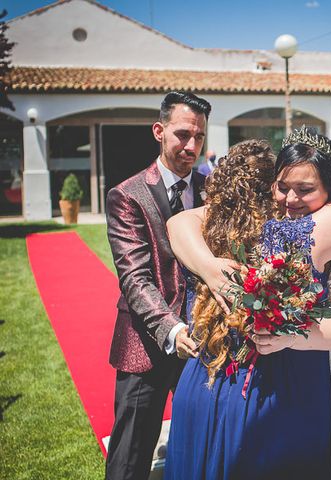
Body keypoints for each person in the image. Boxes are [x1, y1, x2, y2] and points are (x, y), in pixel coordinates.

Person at [164, 129, 331, 479]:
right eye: (282, 186)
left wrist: (294, 336)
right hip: (295, 377)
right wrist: (210, 268)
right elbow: (182, 220)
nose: (290, 198)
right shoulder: (268, 223)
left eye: (305, 189)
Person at [104, 91, 210, 480]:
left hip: (204, 345)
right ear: (159, 131)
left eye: (199, 137)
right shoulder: (127, 195)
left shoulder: (211, 188)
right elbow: (135, 277)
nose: (192, 145)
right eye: (183, 134)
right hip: (145, 345)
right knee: (131, 458)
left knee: (201, 445)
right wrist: (171, 328)